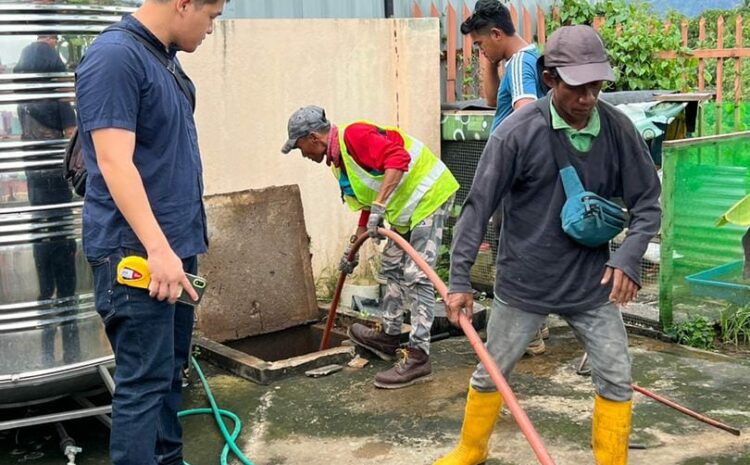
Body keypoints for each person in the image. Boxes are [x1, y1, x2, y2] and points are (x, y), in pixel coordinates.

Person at [436, 25, 661, 465]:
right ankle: (470, 450)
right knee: (492, 373)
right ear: (550, 79)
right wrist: (459, 277)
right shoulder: (517, 133)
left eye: (596, 86)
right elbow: (477, 207)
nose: (588, 98)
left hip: (591, 285)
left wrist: (630, 257)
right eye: (577, 87)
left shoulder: (617, 130)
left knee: (616, 377)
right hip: (526, 281)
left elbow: (647, 203)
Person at [75, 1, 226, 464]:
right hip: (138, 255)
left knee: (168, 375)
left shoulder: (162, 57)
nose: (211, 29)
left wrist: (175, 251)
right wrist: (159, 250)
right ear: (184, 4)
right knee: (143, 385)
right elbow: (114, 161)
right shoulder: (115, 57)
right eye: (212, 17)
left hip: (171, 253)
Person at [281, 106, 459, 389]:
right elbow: (365, 202)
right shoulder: (338, 163)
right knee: (390, 267)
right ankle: (389, 337)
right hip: (406, 210)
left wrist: (380, 206)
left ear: (314, 137)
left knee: (417, 275)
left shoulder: (355, 135)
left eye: (300, 147)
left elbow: (398, 159)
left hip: (429, 195)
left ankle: (418, 356)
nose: (303, 154)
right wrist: (354, 246)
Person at [461, 0, 549, 355]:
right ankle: (534, 332)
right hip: (528, 173)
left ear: (497, 34)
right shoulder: (529, 58)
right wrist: (488, 63)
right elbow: (492, 98)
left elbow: (525, 114)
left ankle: (524, 335)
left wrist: (511, 176)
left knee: (512, 253)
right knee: (524, 249)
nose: (481, 50)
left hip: (514, 174)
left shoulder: (519, 63)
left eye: (482, 44)